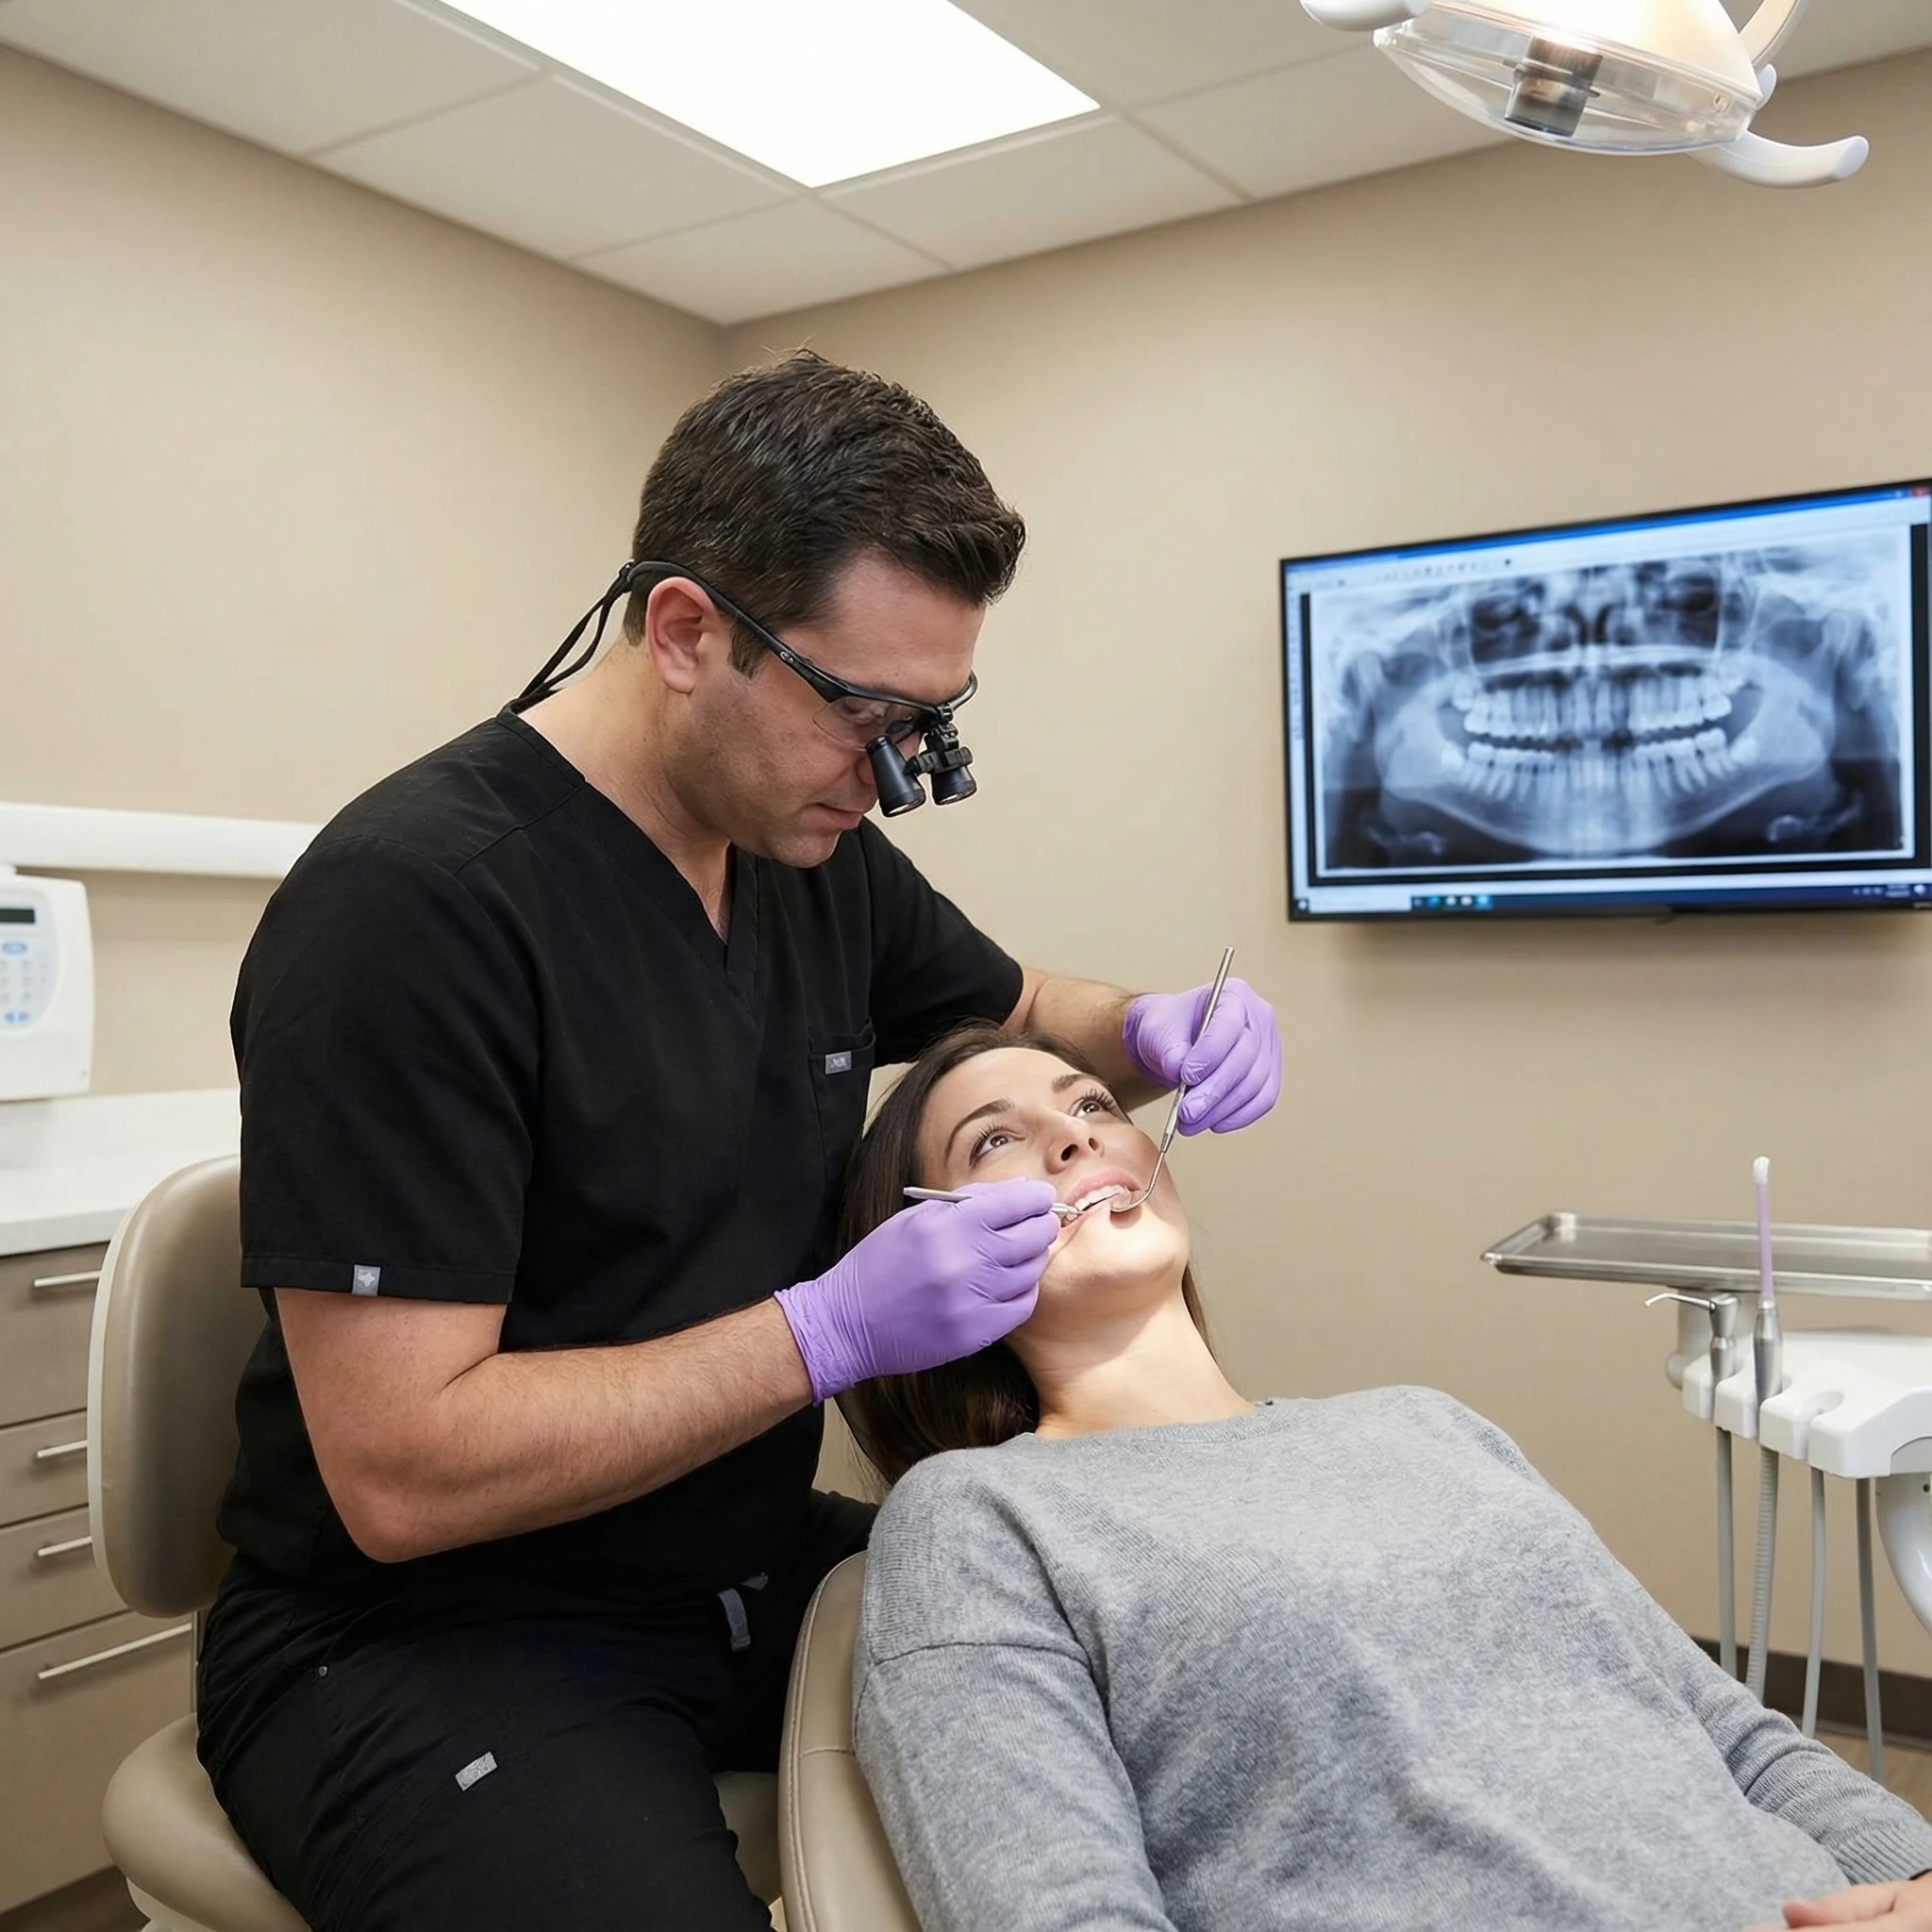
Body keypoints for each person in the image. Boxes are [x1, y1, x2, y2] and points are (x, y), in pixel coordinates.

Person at [196, 351, 1284, 1932]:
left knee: (1207, 1695)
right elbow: (401, 1474)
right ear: (685, 632)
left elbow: (1031, 1005)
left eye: (934, 718)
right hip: (430, 1630)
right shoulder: (415, 911)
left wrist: (1152, 1027)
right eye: (865, 713)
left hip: (743, 1560)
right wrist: (825, 1331)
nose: (898, 775)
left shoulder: (802, 846)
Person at [841, 1024, 1932, 1932]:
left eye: (1090, 1102)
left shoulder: (1422, 1422)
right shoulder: (976, 1519)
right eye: (995, 1138)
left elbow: (1728, 1733)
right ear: (916, 1254)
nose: (1077, 1133)